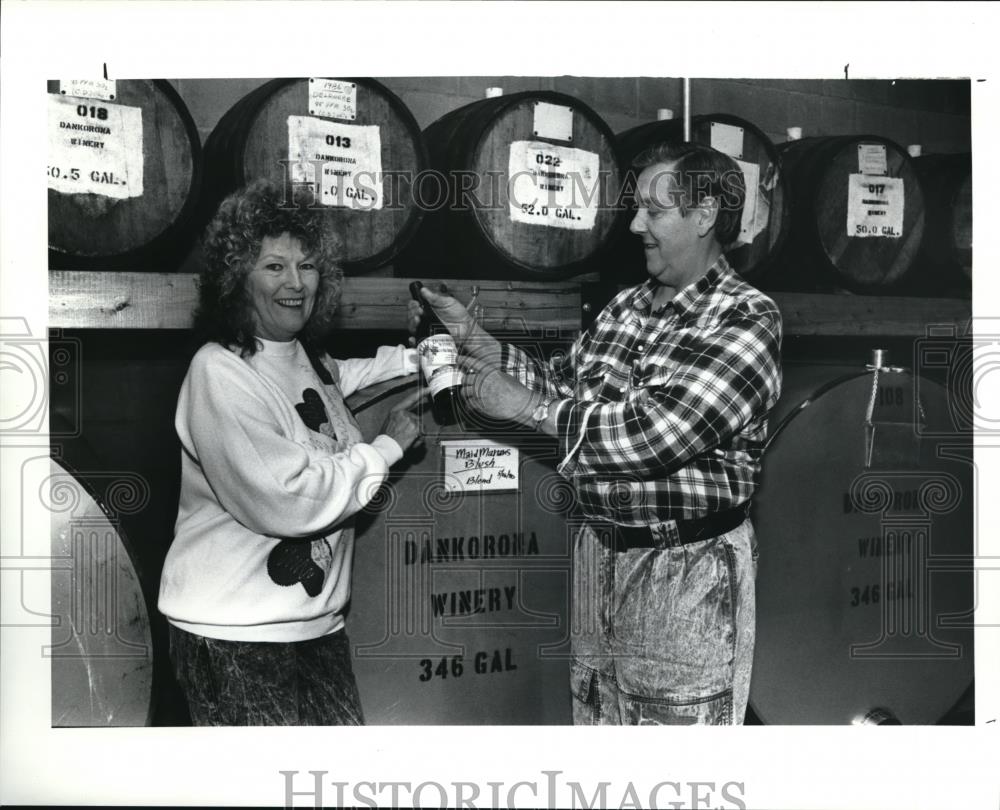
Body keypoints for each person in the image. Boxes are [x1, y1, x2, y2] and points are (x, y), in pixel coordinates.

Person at [409, 142, 783, 725]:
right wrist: (470, 336)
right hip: (599, 554)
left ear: (705, 214)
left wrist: (529, 409)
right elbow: (557, 386)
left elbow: (657, 433)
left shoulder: (745, 318)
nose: (635, 225)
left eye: (654, 212)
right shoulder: (624, 307)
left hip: (685, 571)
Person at [158, 180, 424, 726]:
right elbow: (288, 499)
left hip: (313, 623)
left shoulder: (303, 355)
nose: (296, 283)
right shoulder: (220, 372)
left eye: (307, 266)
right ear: (237, 278)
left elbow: (342, 382)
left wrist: (425, 355)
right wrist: (386, 448)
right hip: (233, 631)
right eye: (274, 266)